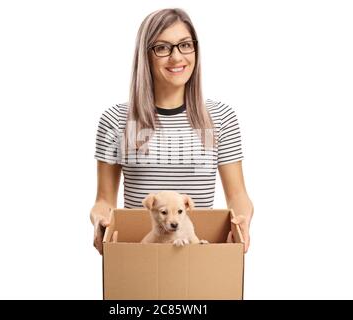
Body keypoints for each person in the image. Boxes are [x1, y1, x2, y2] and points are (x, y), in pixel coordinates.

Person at [90, 8, 254, 255]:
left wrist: (242, 220)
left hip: (197, 254)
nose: (177, 57)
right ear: (145, 56)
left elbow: (238, 194)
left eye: (185, 45)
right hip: (140, 256)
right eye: (163, 48)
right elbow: (104, 200)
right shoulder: (116, 120)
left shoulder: (220, 118)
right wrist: (101, 222)